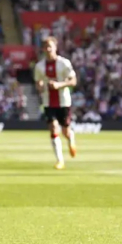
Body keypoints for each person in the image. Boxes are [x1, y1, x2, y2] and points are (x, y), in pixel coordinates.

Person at [34, 36, 78, 170]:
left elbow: (73, 81)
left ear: (55, 47)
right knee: (53, 128)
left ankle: (71, 140)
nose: (48, 49)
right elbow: (38, 82)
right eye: (45, 47)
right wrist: (40, 86)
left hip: (63, 101)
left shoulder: (64, 63)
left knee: (65, 131)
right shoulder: (39, 66)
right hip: (48, 102)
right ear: (42, 49)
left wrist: (59, 85)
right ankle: (60, 161)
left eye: (50, 47)